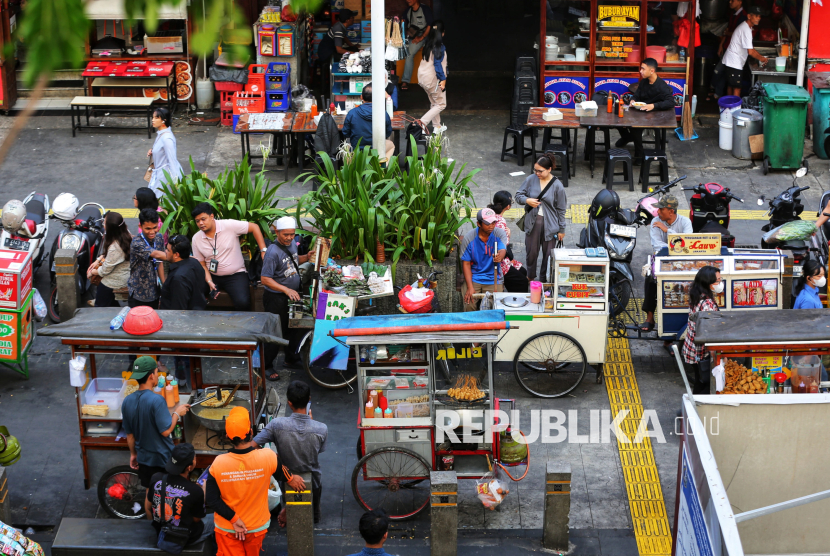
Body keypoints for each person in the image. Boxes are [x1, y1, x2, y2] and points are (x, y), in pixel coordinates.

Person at [206, 407, 287, 556]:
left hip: (227, 528)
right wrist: (293, 479)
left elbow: (211, 500)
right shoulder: (268, 456)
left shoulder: (218, 463)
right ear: (251, 432)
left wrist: (235, 519)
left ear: (228, 437)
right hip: (256, 527)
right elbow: (284, 475)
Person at [253, 380, 327, 526]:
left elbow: (252, 446)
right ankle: (314, 518)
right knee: (315, 502)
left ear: (289, 403)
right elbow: (318, 450)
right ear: (309, 400)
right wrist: (311, 424)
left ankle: (288, 511)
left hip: (286, 476)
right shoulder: (321, 428)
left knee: (288, 499)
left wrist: (272, 457)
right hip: (313, 478)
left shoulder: (277, 425)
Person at [122, 356, 190, 487]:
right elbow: (166, 431)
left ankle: (149, 509)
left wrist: (133, 454)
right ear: (151, 376)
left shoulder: (127, 401)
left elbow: (130, 436)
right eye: (156, 371)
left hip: (144, 459)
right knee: (167, 493)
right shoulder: (156, 400)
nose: (158, 374)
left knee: (150, 491)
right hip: (162, 459)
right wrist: (177, 413)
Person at [260, 217, 312, 381]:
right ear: (277, 232)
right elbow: (265, 279)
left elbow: (293, 261)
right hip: (276, 298)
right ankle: (266, 365)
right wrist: (285, 289)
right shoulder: (272, 253)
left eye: (292, 234)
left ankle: (291, 358)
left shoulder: (291, 245)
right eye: (286, 235)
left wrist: (307, 257)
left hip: (292, 295)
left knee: (295, 328)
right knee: (275, 332)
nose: (289, 238)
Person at [190, 202, 267, 311]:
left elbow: (254, 227)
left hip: (235, 274)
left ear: (212, 216)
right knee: (195, 298)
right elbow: (202, 264)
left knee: (243, 302)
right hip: (212, 275)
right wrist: (209, 282)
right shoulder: (196, 238)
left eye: (203, 219)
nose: (201, 223)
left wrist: (263, 250)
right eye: (197, 221)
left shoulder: (229, 225)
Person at [144, 443, 214, 547]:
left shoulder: (156, 478)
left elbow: (148, 507)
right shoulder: (195, 491)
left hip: (161, 531)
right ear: (189, 467)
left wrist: (158, 528)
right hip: (184, 537)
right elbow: (196, 519)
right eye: (194, 458)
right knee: (217, 519)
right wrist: (203, 493)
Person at [641, 195, 692, 332]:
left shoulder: (685, 222)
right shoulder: (655, 222)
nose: (658, 212)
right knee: (651, 279)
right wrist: (677, 245)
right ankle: (650, 316)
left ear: (671, 211)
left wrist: (667, 230)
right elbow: (657, 246)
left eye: (661, 209)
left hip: (682, 262)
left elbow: (688, 244)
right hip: (663, 259)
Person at [515, 153, 567, 282]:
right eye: (535, 170)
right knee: (531, 252)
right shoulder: (531, 179)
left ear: (549, 169)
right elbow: (518, 196)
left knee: (548, 255)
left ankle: (544, 280)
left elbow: (561, 209)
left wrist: (562, 229)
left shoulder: (557, 185)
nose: (537, 173)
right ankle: (530, 277)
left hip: (551, 225)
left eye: (540, 171)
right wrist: (527, 200)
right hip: (533, 222)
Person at [616, 59, 675, 163]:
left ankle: (638, 154)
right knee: (618, 117)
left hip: (654, 115)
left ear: (652, 71)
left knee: (635, 128)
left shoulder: (661, 86)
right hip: (641, 112)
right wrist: (633, 100)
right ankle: (627, 137)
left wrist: (653, 106)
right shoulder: (644, 82)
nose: (640, 71)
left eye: (643, 69)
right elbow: (636, 95)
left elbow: (671, 102)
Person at [681, 266, 722, 394]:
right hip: (700, 351)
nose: (720, 284)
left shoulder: (697, 294)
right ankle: (693, 409)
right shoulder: (707, 304)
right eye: (718, 281)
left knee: (700, 380)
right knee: (703, 382)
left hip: (691, 346)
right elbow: (709, 331)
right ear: (708, 283)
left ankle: (692, 407)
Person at [715, 6, 768, 98]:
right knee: (737, 88)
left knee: (731, 85)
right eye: (756, 16)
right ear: (749, 16)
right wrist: (762, 58)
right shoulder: (746, 29)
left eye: (759, 16)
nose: (758, 18)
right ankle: (735, 109)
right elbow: (750, 51)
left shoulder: (746, 27)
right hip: (734, 62)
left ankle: (730, 108)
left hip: (731, 61)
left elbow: (749, 48)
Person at [460, 208, 507, 312]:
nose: (491, 225)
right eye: (488, 223)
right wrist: (470, 287)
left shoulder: (499, 233)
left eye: (494, 222)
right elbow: (466, 264)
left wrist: (500, 256)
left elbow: (502, 249)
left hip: (494, 276)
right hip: (474, 276)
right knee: (469, 303)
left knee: (495, 307)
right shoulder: (469, 238)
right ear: (479, 224)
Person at [89, 212, 131, 308]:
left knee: (101, 297)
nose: (103, 224)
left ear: (111, 229)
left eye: (104, 223)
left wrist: (92, 271)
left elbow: (104, 271)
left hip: (118, 280)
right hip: (125, 272)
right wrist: (99, 259)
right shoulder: (125, 233)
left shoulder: (115, 247)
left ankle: (99, 304)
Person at [489, 191, 528, 293]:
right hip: (497, 261)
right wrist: (509, 235)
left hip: (495, 255)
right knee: (522, 281)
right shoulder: (500, 222)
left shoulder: (490, 214)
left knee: (522, 271)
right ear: (508, 206)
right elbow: (502, 246)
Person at [342, 85, 395, 160]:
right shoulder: (383, 113)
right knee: (391, 145)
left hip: (357, 150)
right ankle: (381, 167)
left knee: (344, 148)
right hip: (377, 151)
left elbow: (345, 133)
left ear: (361, 97)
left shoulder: (352, 113)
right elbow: (388, 133)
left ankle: (352, 169)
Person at [708, 0, 747, 100]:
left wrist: (729, 33)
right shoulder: (733, 14)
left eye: (732, 0)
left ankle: (713, 89)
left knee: (719, 70)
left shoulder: (743, 16)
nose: (730, 2)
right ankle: (717, 94)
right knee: (724, 73)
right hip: (727, 47)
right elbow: (728, 32)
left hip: (734, 51)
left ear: (739, 2)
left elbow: (737, 33)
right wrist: (721, 45)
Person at [128, 208, 167, 309]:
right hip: (139, 293)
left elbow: (160, 262)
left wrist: (164, 285)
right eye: (148, 228)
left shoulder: (159, 238)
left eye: (155, 227)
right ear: (140, 226)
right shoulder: (136, 242)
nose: (152, 232)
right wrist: (180, 257)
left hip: (154, 291)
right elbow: (156, 254)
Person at [159, 235, 208, 311]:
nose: (165, 251)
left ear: (176, 255)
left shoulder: (178, 278)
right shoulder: (195, 262)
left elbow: (178, 309)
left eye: (168, 250)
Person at [317, 9, 358, 97]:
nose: (353, 19)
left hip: (331, 50)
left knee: (353, 52)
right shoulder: (339, 28)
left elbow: (344, 38)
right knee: (350, 57)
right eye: (352, 18)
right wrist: (352, 53)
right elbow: (339, 50)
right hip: (327, 54)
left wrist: (353, 46)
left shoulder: (341, 26)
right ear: (347, 20)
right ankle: (345, 81)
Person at [146, 107, 184, 198]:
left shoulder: (167, 138)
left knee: (160, 203)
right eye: (153, 117)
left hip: (165, 176)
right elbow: (161, 149)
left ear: (164, 120)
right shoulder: (161, 133)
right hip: (159, 174)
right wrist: (153, 151)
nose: (152, 120)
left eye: (156, 118)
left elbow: (172, 161)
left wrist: (175, 183)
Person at [417, 20, 447, 131]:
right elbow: (437, 64)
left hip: (422, 78)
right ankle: (422, 123)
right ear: (442, 33)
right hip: (431, 79)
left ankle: (437, 126)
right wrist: (443, 79)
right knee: (441, 104)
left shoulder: (428, 44)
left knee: (434, 102)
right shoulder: (439, 47)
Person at [400, 0, 434, 90]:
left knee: (409, 54)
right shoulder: (408, 11)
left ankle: (405, 80)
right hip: (412, 36)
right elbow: (403, 24)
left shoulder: (425, 9)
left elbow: (430, 25)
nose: (408, 0)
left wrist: (421, 37)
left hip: (424, 35)